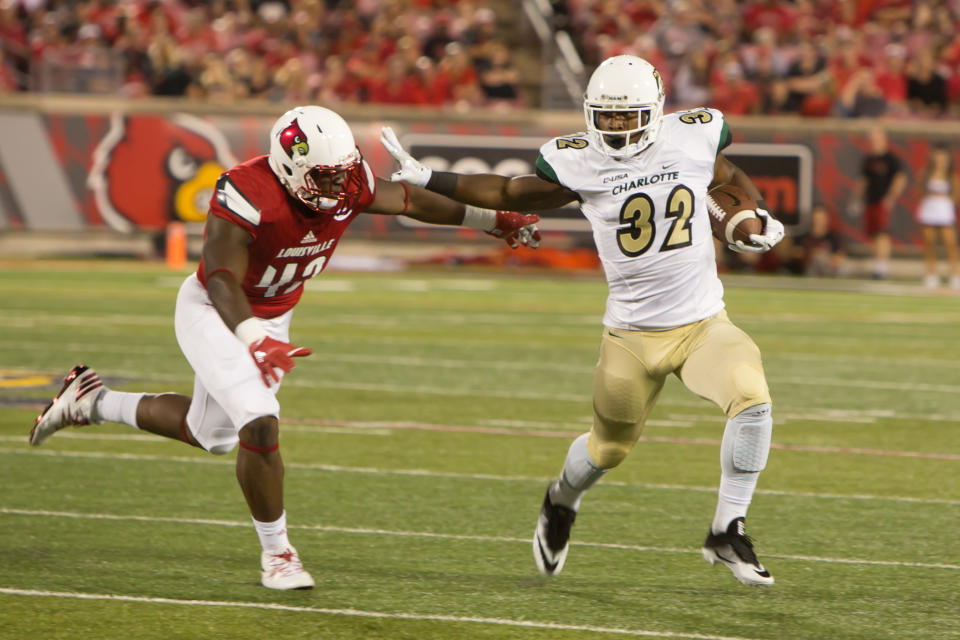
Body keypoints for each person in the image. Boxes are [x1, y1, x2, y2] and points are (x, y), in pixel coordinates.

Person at [29, 105, 540, 591]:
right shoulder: (247, 191)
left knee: (213, 435)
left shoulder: (345, 179)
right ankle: (277, 554)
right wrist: (253, 339)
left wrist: (491, 222)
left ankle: (90, 401)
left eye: (342, 174)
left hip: (273, 313)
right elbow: (224, 276)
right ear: (291, 168)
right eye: (326, 176)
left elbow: (411, 201)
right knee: (259, 419)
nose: (339, 185)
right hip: (217, 309)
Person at [381, 55, 785, 586]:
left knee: (752, 399)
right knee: (608, 448)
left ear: (655, 109)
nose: (616, 127)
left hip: (703, 324)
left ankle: (727, 528)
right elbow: (510, 192)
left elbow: (728, 177)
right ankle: (561, 499)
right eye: (607, 116)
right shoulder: (579, 162)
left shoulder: (693, 135)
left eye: (626, 116)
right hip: (631, 337)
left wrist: (749, 215)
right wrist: (433, 176)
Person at [848, 127, 906, 280]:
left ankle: (881, 267)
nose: (874, 142)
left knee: (882, 234)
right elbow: (863, 181)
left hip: (882, 201)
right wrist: (856, 200)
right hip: (870, 201)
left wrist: (890, 198)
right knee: (874, 235)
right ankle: (878, 265)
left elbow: (900, 179)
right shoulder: (868, 160)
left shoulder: (890, 159)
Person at [915, 144, 960, 289]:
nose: (940, 160)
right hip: (929, 210)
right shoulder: (926, 173)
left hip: (945, 211)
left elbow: (956, 196)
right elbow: (920, 192)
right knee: (929, 243)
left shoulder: (951, 176)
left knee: (950, 243)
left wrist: (946, 198)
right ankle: (931, 274)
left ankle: (955, 274)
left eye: (943, 158)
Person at [785, 204, 848, 277]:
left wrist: (832, 260)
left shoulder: (833, 237)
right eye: (816, 219)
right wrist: (810, 254)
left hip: (828, 270)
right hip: (807, 271)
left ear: (826, 219)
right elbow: (794, 253)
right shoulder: (802, 237)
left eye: (820, 219)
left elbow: (839, 255)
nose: (817, 222)